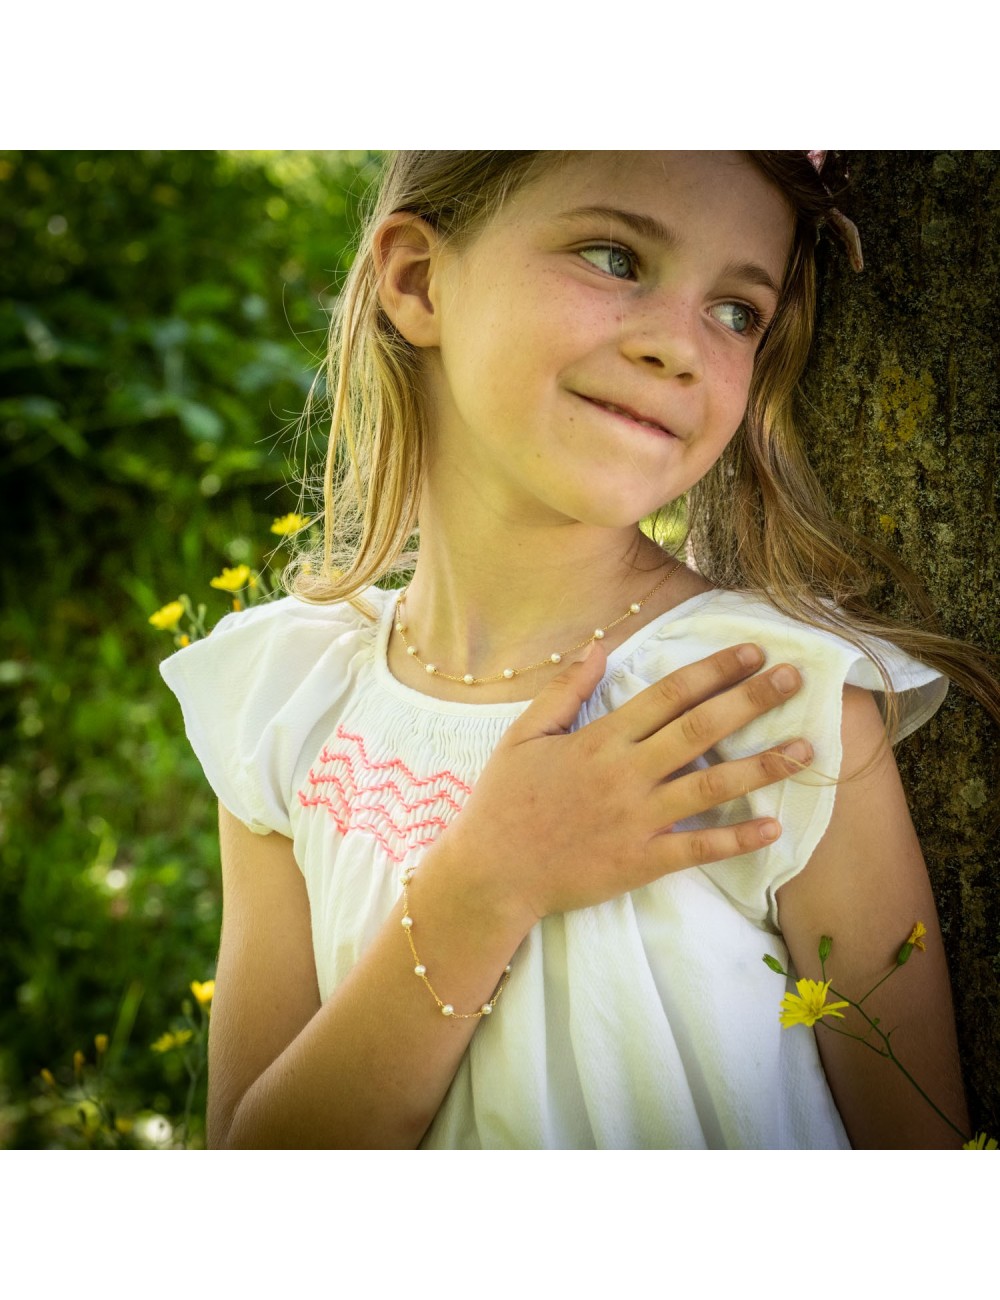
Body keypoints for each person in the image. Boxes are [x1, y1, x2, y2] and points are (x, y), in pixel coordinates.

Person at [161, 151, 992, 1149]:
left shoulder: (768, 699)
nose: (681, 349)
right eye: (614, 256)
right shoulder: (287, 697)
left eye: (736, 311)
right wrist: (489, 881)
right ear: (418, 278)